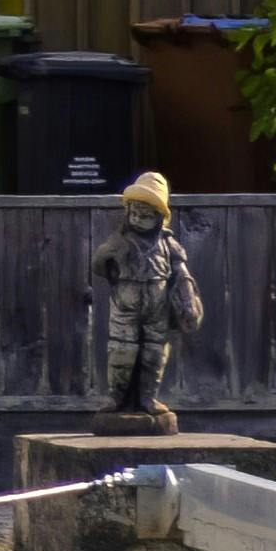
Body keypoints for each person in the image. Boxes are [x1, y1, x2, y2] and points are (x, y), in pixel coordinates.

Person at [89, 168, 202, 429]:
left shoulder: (168, 244)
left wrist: (187, 298)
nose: (139, 219)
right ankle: (117, 397)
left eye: (146, 215)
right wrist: (107, 255)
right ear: (128, 212)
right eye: (135, 213)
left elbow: (181, 272)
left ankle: (148, 397)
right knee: (121, 351)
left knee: (155, 353)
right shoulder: (120, 240)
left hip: (157, 306)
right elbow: (98, 266)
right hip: (125, 305)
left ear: (159, 217)